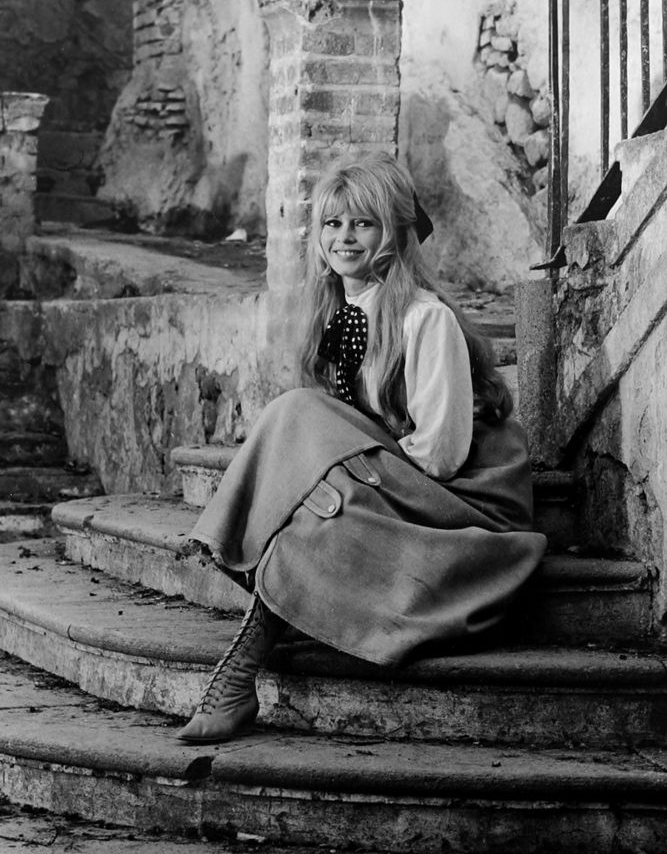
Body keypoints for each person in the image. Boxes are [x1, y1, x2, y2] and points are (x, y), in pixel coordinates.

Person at [177, 151, 547, 745]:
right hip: (390, 476)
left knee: (299, 413)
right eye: (333, 223)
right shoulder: (341, 316)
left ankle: (237, 653)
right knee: (315, 504)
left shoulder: (425, 319)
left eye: (363, 223)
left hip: (458, 499)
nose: (344, 237)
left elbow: (443, 455)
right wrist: (348, 467)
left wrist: (356, 462)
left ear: (393, 234)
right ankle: (239, 680)